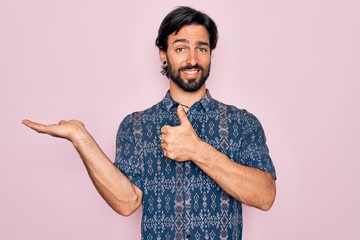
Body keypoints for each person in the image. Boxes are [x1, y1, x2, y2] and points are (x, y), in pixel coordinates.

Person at [22, 6, 276, 239]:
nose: (192, 59)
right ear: (163, 55)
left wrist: (197, 150)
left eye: (202, 48)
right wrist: (81, 139)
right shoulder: (136, 126)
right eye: (180, 48)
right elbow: (127, 202)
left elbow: (265, 196)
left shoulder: (243, 123)